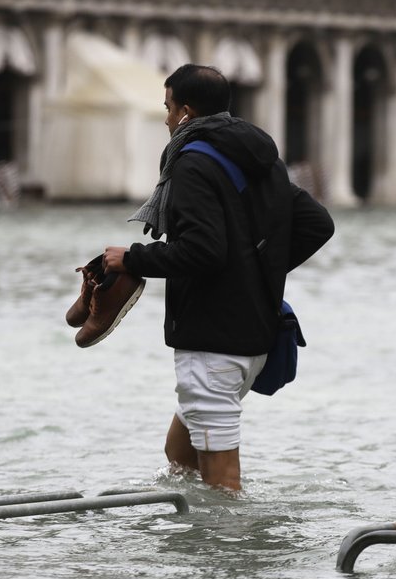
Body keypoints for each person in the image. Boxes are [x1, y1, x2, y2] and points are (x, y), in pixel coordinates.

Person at [101, 64, 334, 491]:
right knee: (178, 457)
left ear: (186, 111)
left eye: (169, 108)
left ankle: (232, 553)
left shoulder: (191, 164)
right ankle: (186, 542)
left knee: (224, 487)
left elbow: (201, 251)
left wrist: (132, 259)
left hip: (212, 345)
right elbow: (317, 224)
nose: (167, 118)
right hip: (254, 340)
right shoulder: (262, 159)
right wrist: (253, 274)